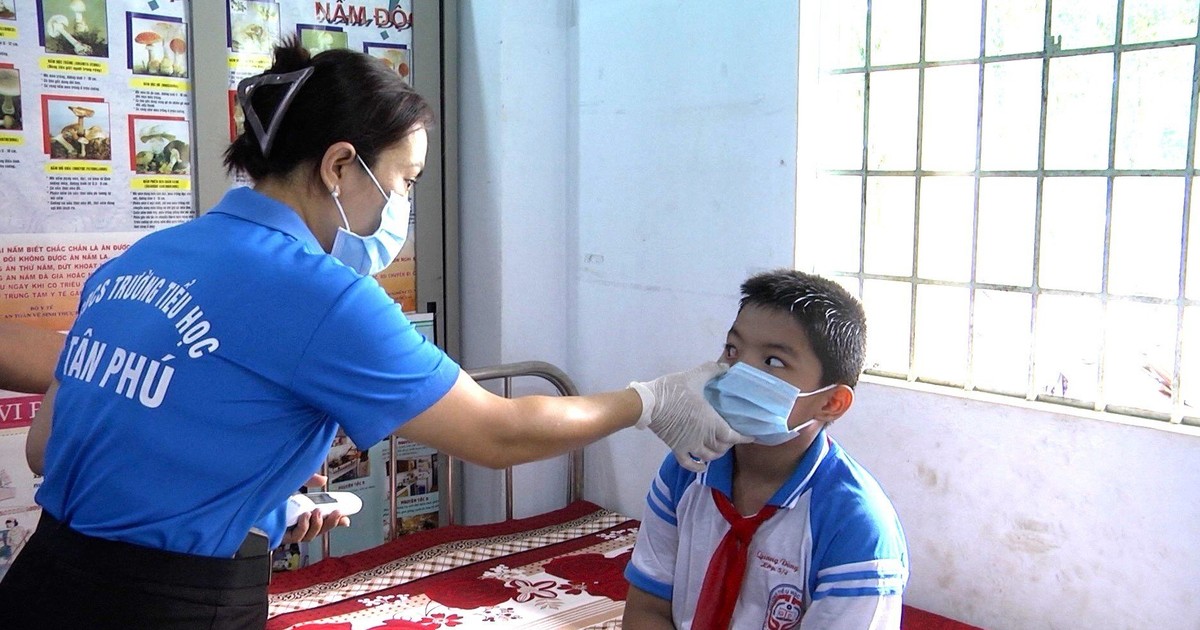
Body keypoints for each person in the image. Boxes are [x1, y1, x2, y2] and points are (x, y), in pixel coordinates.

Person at [0, 38, 748, 629]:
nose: (401, 203)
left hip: (41, 583)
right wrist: (651, 401)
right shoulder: (318, 294)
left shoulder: (147, 259)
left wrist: (258, 499)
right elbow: (501, 433)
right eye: (405, 180)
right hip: (163, 608)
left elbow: (49, 448)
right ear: (338, 166)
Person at [622, 269, 908, 630]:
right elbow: (647, 609)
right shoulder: (688, 466)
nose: (737, 370)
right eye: (732, 349)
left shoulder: (855, 522)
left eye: (773, 361)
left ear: (832, 402)